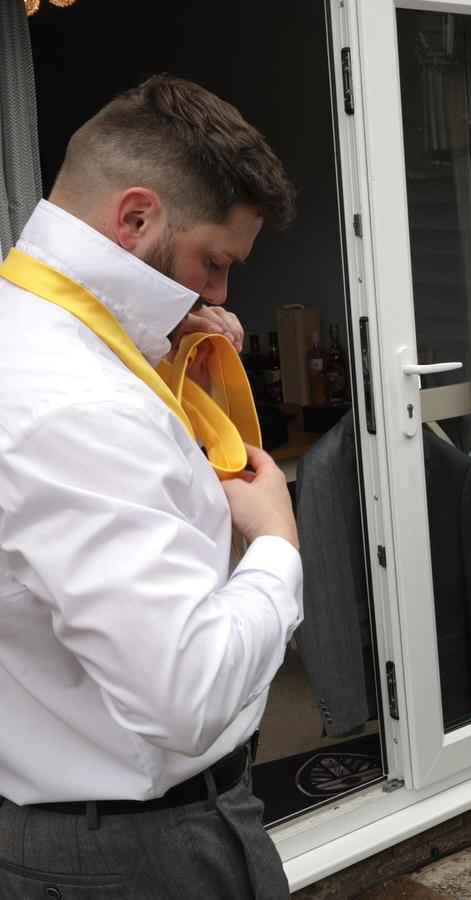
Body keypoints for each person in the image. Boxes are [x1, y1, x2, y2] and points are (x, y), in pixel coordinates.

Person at [0, 76, 302, 897]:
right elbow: (188, 695)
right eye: (215, 261)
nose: (223, 296)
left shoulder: (32, 334)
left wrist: (161, 347)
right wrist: (276, 544)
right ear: (135, 219)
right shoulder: (81, 406)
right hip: (141, 852)